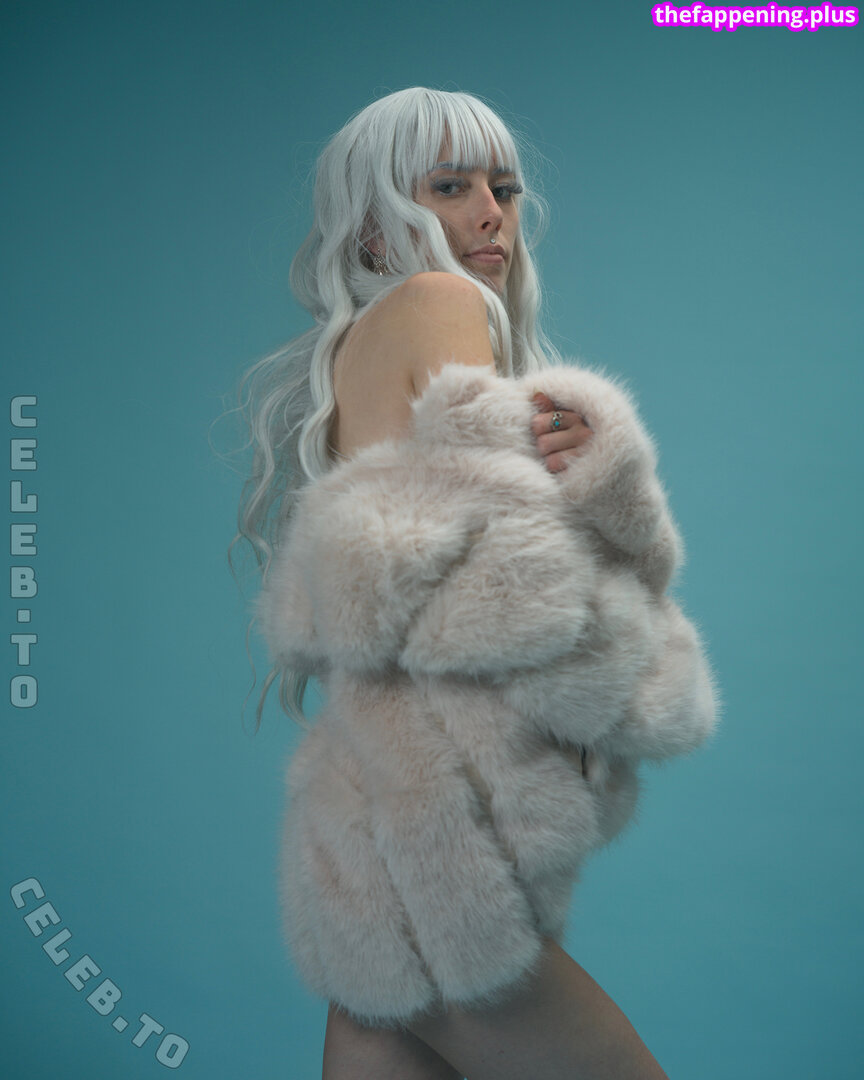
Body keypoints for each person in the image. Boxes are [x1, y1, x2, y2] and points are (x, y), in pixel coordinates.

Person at [235, 87, 716, 1080]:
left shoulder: (362, 348)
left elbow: (396, 577)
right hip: (443, 840)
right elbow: (511, 582)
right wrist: (619, 657)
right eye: (450, 187)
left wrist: (600, 477)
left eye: (503, 187)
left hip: (369, 814)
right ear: (376, 223)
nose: (490, 213)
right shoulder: (442, 302)